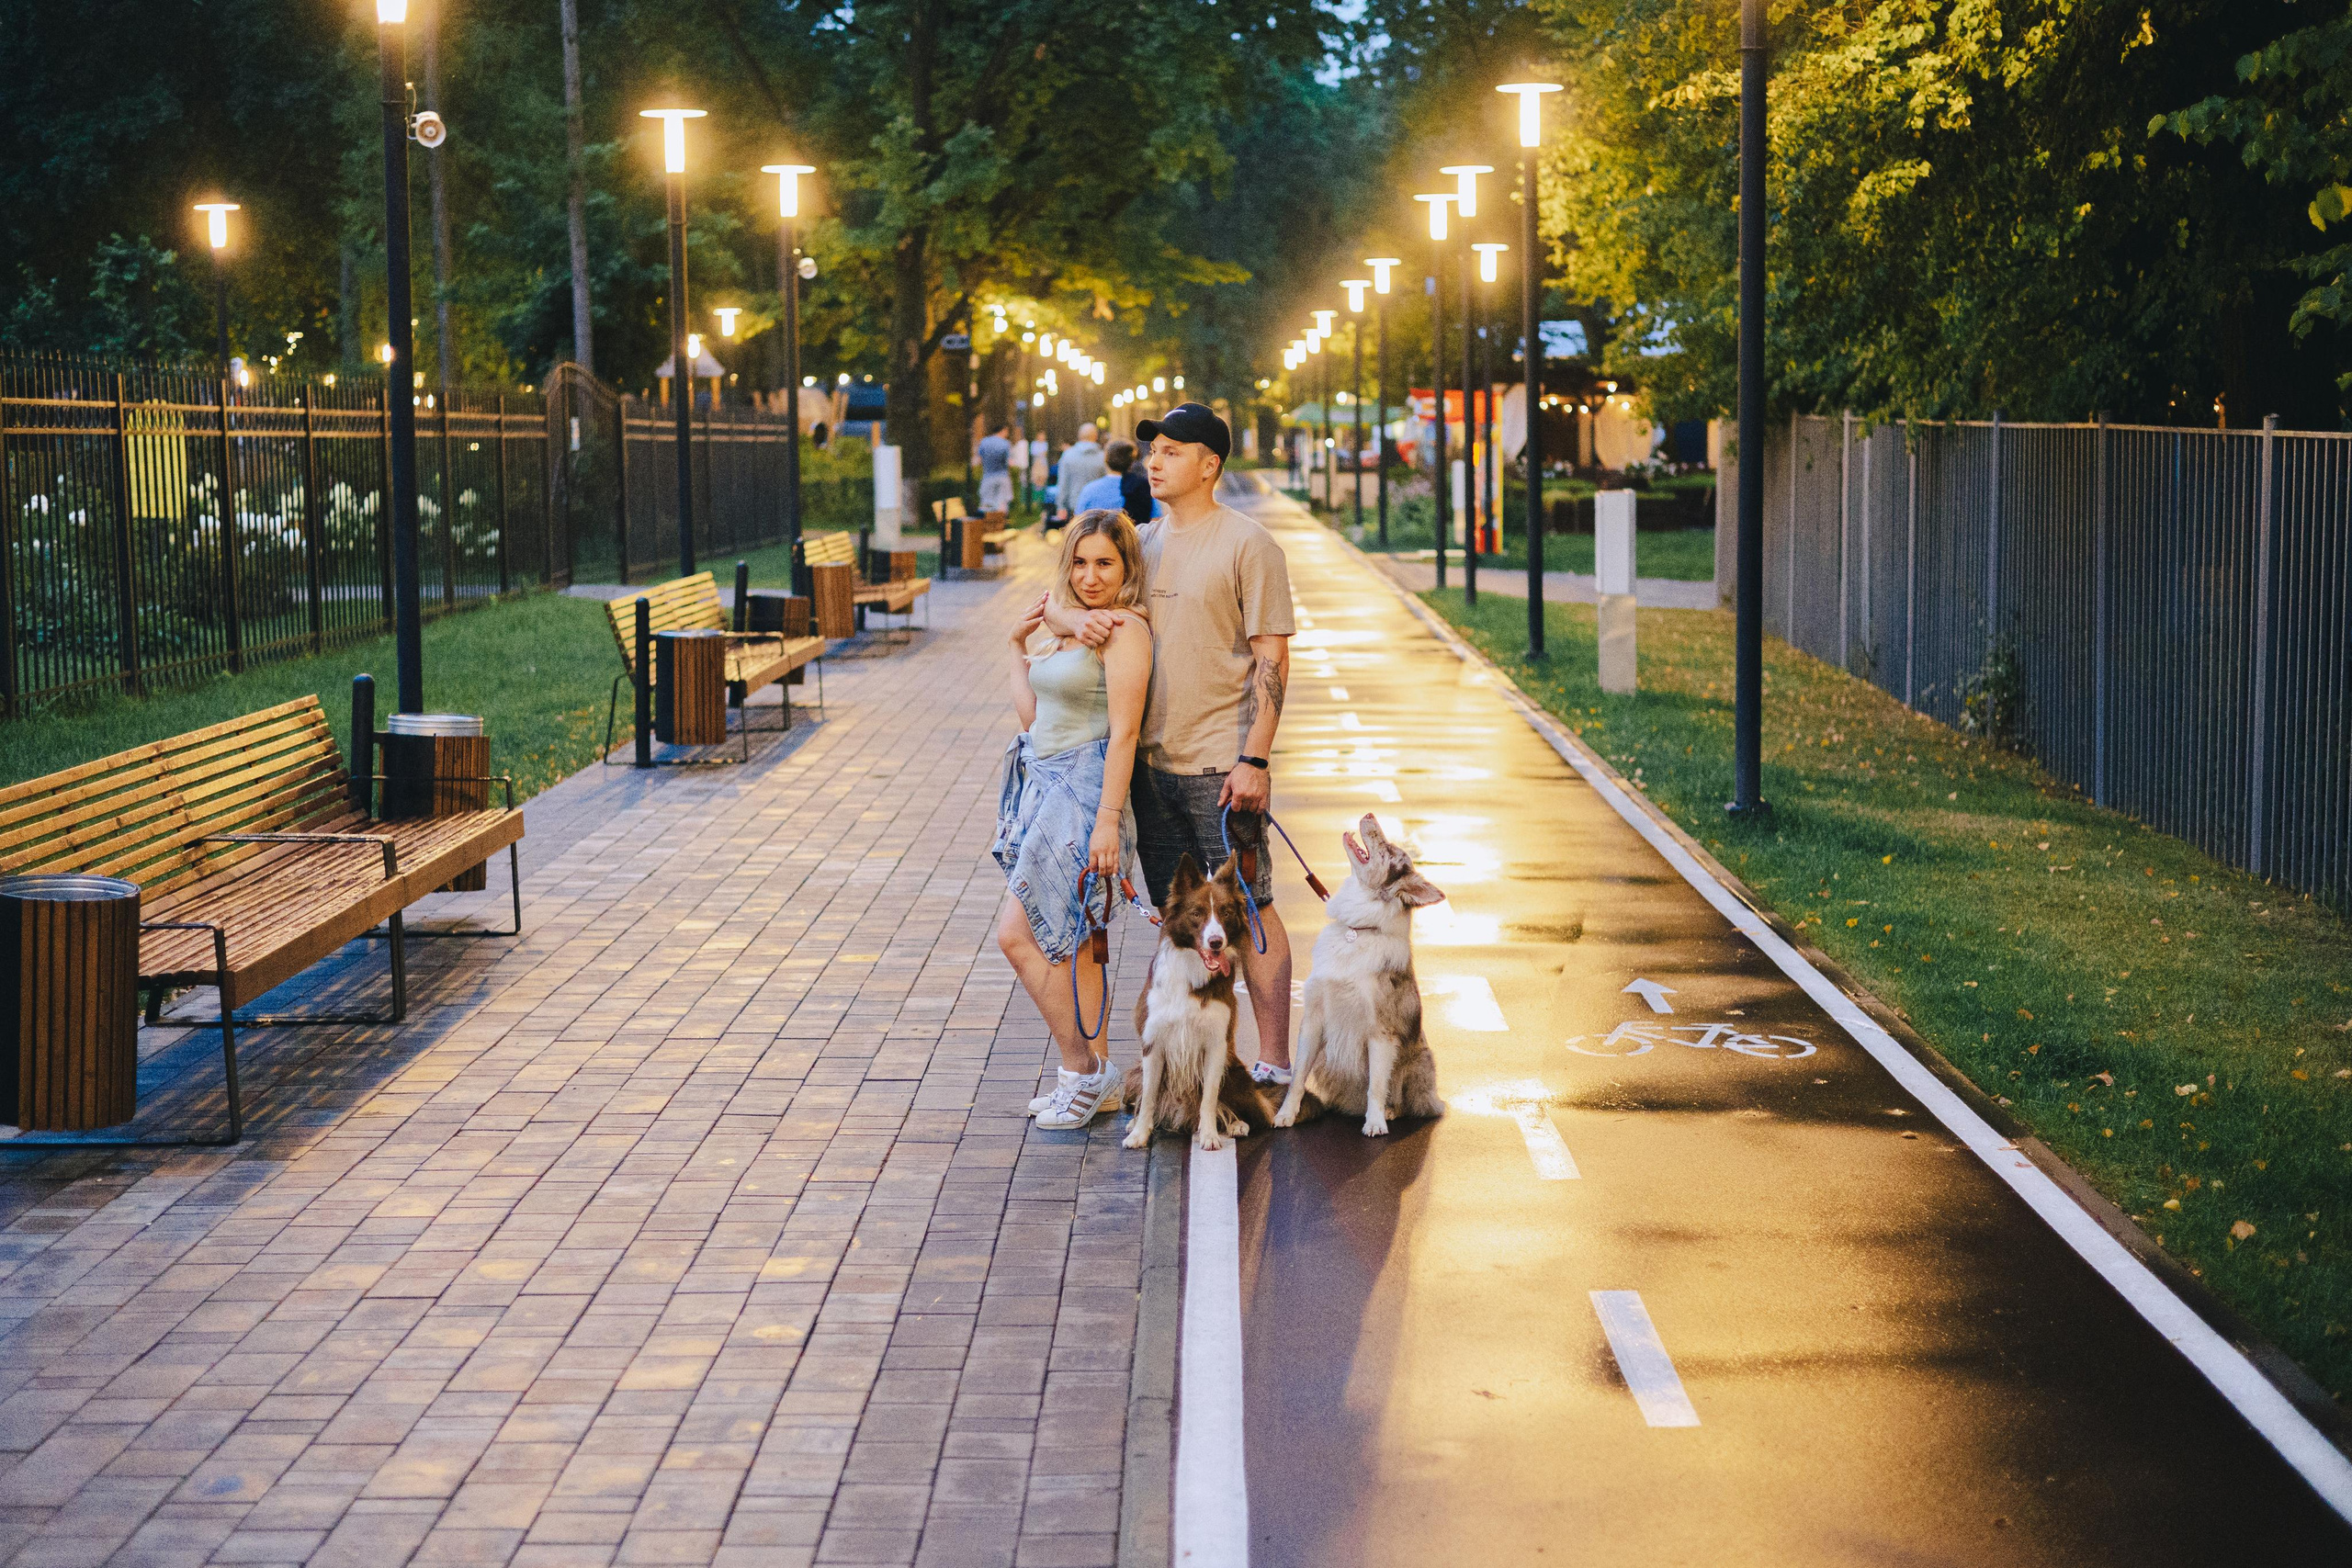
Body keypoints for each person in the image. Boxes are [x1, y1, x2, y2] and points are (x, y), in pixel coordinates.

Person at [1043, 402, 1299, 1086]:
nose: (1154, 462)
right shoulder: (1142, 542)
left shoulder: (1249, 544)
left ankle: (1275, 1061)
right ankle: (1201, 1059)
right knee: (1181, 918)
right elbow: (1064, 597)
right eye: (1152, 450)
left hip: (1221, 767)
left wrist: (1255, 758)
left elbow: (1272, 657)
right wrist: (1071, 618)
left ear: (1209, 465)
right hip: (1149, 769)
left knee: (1251, 909)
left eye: (1171, 451)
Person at [993, 510, 1154, 1130]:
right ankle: (1095, 1079)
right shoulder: (1073, 629)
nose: (1091, 576)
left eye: (1105, 563)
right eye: (1081, 563)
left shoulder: (1124, 629)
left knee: (1018, 935)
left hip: (1085, 795)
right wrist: (1015, 647)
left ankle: (1081, 1069)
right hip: (1046, 784)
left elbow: (1125, 733)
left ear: (1127, 567)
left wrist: (1108, 821)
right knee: (1081, 943)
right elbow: (1035, 720)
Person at [1075, 439, 1160, 525]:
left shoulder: (1090, 490)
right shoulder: (1144, 487)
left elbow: (1078, 522)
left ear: (1106, 459)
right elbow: (1155, 519)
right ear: (1132, 462)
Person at [1055, 423, 1107, 522]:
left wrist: (1061, 506)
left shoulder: (1068, 455)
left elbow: (1063, 482)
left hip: (1075, 505)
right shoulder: (1103, 457)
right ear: (1095, 436)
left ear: (1079, 436)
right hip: (1098, 508)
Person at [978, 421, 1014, 515]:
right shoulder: (1006, 443)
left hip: (988, 476)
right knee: (1002, 503)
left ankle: (986, 521)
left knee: (986, 503)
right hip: (1003, 476)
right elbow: (1009, 462)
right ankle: (1001, 521)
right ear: (1003, 430)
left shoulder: (984, 442)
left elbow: (979, 460)